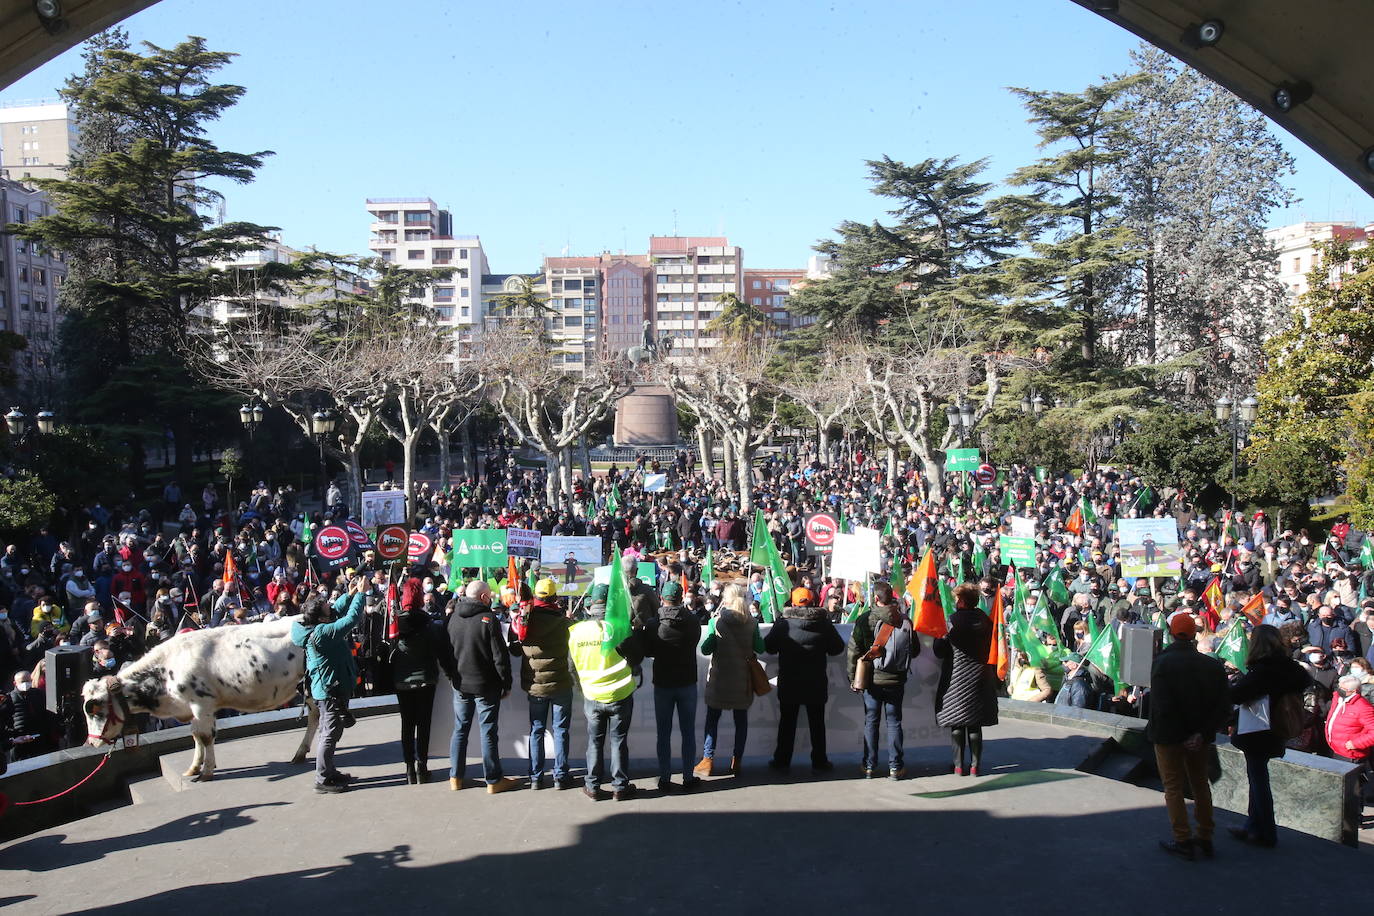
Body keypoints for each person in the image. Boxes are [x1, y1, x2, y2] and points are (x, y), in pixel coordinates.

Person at [1147, 611, 1230, 861]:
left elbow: (1163, 705)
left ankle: (1182, 839)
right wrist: (1200, 734)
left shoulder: (1162, 662)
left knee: (1173, 787)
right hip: (1199, 738)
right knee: (1200, 785)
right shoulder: (1212, 665)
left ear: (1171, 633)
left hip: (1169, 736)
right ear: (1195, 634)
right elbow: (1223, 706)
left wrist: (1184, 734)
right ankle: (1205, 836)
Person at [1228, 624, 1310, 848]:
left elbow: (1237, 695)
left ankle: (1265, 832)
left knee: (1258, 782)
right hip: (1276, 730)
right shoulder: (1288, 667)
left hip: (1259, 731)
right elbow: (1303, 680)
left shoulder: (1263, 670)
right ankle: (1253, 827)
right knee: (1257, 779)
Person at [568, 581, 645, 801]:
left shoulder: (576, 631)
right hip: (620, 694)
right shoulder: (618, 627)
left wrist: (582, 688)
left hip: (592, 695)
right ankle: (620, 787)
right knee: (618, 741)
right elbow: (637, 656)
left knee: (594, 741)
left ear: (590, 604)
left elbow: (571, 667)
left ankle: (592, 786)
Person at [290, 576, 367, 794]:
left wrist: (350, 594)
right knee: (330, 733)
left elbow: (337, 610)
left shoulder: (315, 627)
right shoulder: (323, 633)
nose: (329, 606)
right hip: (330, 690)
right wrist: (361, 595)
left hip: (329, 688)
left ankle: (329, 771)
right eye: (325, 605)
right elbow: (350, 619)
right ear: (319, 614)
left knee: (330, 730)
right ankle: (322, 778)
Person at [444, 580, 519, 794]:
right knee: (488, 732)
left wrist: (451, 676)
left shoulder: (452, 618)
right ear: (484, 598)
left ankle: (455, 777)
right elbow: (499, 656)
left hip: (460, 685)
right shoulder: (489, 619)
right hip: (486, 686)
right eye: (490, 595)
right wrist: (506, 683)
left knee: (460, 729)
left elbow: (446, 652)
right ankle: (493, 780)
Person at [765, 589, 844, 772]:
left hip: (789, 681)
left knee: (787, 723)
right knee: (817, 724)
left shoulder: (783, 624)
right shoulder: (823, 623)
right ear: (813, 603)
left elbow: (768, 647)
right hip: (815, 681)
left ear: (793, 604)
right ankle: (820, 761)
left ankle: (782, 761)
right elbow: (837, 648)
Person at [847, 581, 917, 780]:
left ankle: (869, 765)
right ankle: (896, 767)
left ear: (876, 598)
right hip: (896, 679)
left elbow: (854, 651)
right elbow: (916, 649)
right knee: (894, 722)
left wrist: (853, 678)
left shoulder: (865, 619)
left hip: (872, 680)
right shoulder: (904, 619)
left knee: (871, 721)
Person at [510, 578, 574, 790]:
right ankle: (560, 775)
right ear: (555, 597)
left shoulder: (524, 623)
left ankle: (536, 777)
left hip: (535, 685)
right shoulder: (564, 623)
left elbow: (514, 647)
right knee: (561, 730)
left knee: (536, 730)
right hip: (561, 685)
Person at [641, 580, 702, 791]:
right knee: (688, 732)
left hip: (664, 683)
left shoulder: (653, 623)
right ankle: (687, 776)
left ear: (662, 598)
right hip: (686, 681)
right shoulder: (693, 621)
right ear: (680, 597)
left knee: (663, 733)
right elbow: (693, 642)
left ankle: (665, 777)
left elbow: (648, 651)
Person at [696, 583, 762, 778]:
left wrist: (714, 638)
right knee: (740, 721)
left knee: (712, 721)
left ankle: (707, 760)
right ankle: (737, 761)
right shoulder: (752, 622)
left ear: (727, 600)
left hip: (719, 679)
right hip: (743, 680)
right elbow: (760, 647)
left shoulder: (715, 622)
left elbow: (706, 649)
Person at [934, 583, 997, 776]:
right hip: (979, 677)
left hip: (956, 678)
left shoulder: (952, 621)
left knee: (957, 722)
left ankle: (959, 765)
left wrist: (939, 637)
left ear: (961, 601)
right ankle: (975, 766)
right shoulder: (985, 621)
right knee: (975, 724)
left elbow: (939, 651)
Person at [390, 595, 448, 785]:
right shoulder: (428, 623)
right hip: (425, 679)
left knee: (407, 724)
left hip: (402, 681)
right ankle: (422, 766)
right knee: (424, 724)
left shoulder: (394, 624)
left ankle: (408, 769)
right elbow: (440, 649)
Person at [1325, 674, 1374, 766]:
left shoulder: (1363, 708)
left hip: (1350, 755)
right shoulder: (1338, 698)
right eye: (1339, 687)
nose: (1339, 690)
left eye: (1343, 689)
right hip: (1334, 749)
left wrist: (1355, 744)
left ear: (1354, 691)